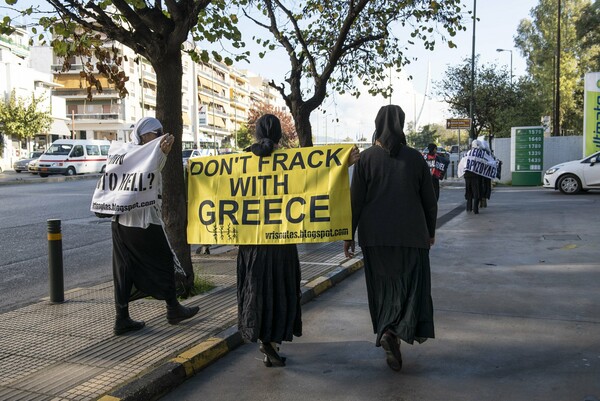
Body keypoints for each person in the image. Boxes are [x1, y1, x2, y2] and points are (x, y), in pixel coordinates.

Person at [237, 114, 360, 367]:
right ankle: (272, 341)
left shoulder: (240, 161)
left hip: (251, 245)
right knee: (280, 292)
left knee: (255, 291)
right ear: (280, 134)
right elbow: (316, 182)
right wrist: (342, 165)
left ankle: (262, 338)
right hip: (282, 243)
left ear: (257, 134)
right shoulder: (292, 162)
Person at [344, 104, 437, 372]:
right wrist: (430, 231)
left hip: (375, 238)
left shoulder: (366, 160)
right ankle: (395, 333)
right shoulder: (416, 158)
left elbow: (355, 201)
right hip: (412, 237)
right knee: (410, 289)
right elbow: (429, 202)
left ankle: (387, 331)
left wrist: (348, 234)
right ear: (402, 125)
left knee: (382, 288)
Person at [112, 117, 199, 335]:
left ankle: (122, 317)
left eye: (161, 131)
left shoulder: (125, 153)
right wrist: (162, 153)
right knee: (163, 262)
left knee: (125, 269)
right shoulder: (140, 154)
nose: (159, 135)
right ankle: (173, 308)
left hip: (122, 222)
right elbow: (147, 174)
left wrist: (161, 154)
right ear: (142, 136)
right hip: (142, 222)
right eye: (155, 132)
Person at [463, 140, 483, 214]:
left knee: (469, 191)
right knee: (476, 192)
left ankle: (468, 207)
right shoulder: (479, 154)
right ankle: (475, 209)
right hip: (475, 175)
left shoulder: (467, 153)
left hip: (467, 175)